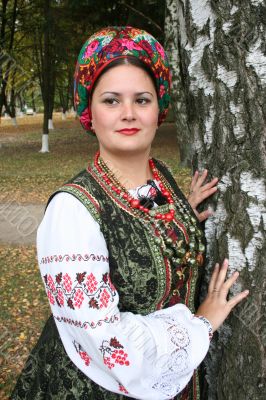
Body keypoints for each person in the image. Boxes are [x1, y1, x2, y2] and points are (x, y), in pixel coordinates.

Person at [11, 26, 249, 400]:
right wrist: (201, 323)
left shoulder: (161, 181)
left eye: (142, 99)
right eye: (110, 100)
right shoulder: (71, 212)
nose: (128, 114)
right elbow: (109, 345)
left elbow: (142, 218)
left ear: (159, 108)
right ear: (88, 110)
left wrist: (178, 219)